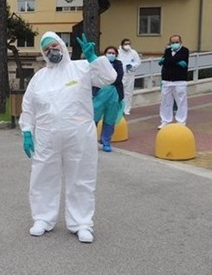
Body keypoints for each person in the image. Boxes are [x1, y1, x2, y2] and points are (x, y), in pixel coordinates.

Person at [20, 32, 117, 244]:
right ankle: (43, 219)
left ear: (62, 45)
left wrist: (94, 58)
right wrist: (27, 130)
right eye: (46, 49)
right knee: (42, 176)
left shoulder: (82, 67)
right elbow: (28, 105)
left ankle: (81, 223)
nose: (51, 51)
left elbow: (109, 78)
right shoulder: (39, 77)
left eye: (54, 46)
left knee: (81, 177)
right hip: (47, 135)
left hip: (79, 134)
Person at [93, 46, 125, 152]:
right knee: (94, 118)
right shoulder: (99, 63)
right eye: (109, 52)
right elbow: (96, 76)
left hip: (114, 94)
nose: (111, 55)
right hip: (99, 93)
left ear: (116, 55)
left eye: (113, 53)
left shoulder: (118, 64)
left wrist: (107, 80)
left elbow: (118, 77)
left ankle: (106, 141)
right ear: (105, 53)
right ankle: (91, 141)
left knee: (110, 119)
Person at [158, 35, 189, 129]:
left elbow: (168, 60)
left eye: (176, 42)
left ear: (180, 41)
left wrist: (167, 61)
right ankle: (165, 121)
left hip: (179, 80)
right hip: (167, 80)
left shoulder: (185, 50)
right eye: (172, 42)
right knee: (165, 101)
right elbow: (164, 61)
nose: (174, 44)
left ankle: (181, 121)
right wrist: (174, 61)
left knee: (181, 101)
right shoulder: (168, 51)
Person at [117, 38, 141, 115]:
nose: (127, 46)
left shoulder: (133, 52)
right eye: (126, 44)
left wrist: (132, 66)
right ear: (122, 45)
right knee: (119, 92)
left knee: (128, 93)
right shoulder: (118, 52)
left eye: (129, 44)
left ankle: (127, 109)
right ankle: (119, 108)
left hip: (130, 75)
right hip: (120, 76)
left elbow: (138, 62)